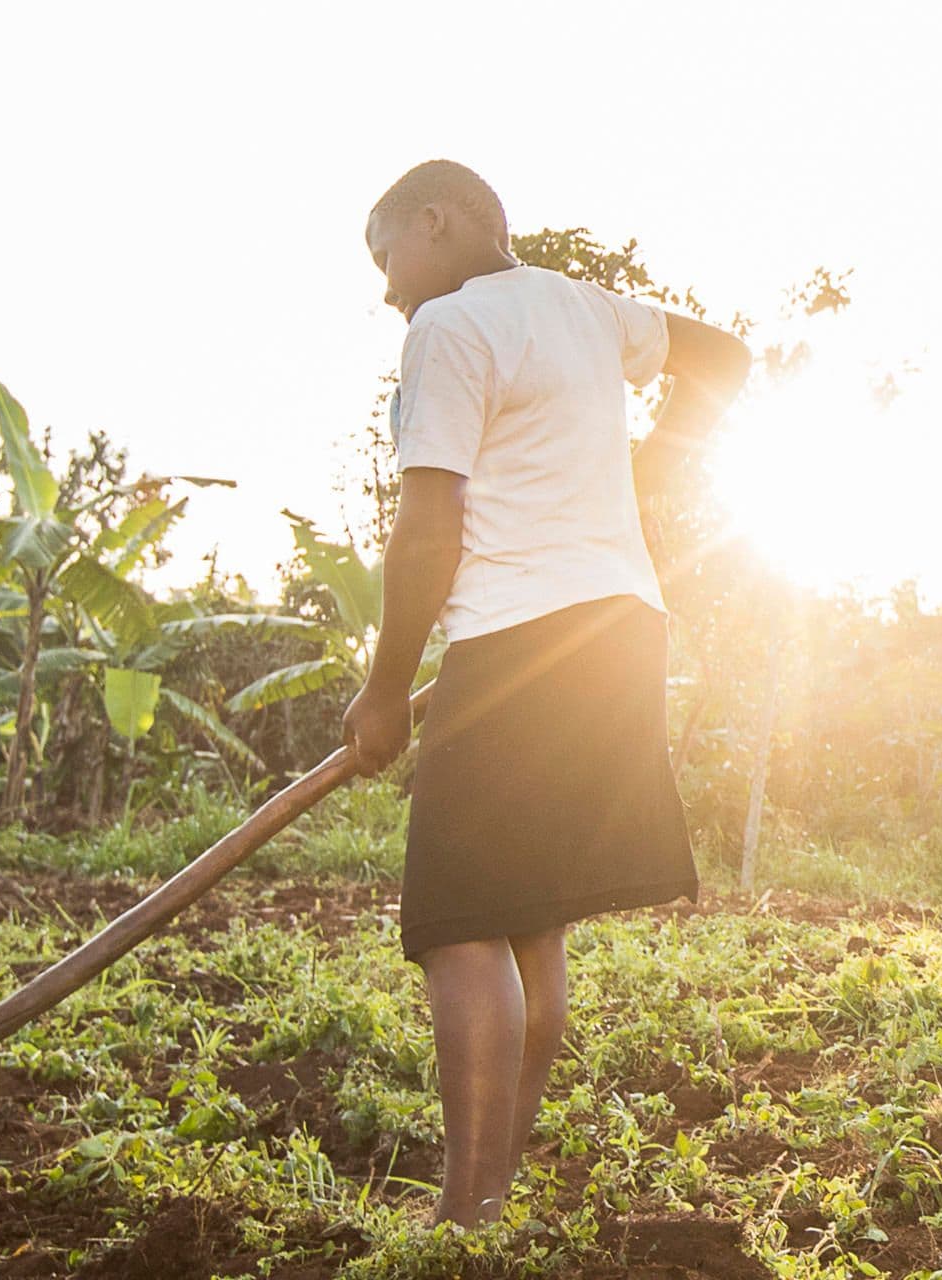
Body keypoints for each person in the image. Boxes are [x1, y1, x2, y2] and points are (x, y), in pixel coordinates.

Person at [342, 159, 752, 1228]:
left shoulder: (448, 325)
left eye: (387, 257)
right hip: (622, 633)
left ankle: (465, 1218)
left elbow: (428, 526)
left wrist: (384, 691)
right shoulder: (583, 308)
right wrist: (655, 469)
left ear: (433, 222)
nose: (387, 289)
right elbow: (725, 357)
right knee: (528, 923)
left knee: (461, 925)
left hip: (519, 637)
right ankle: (488, 1199)